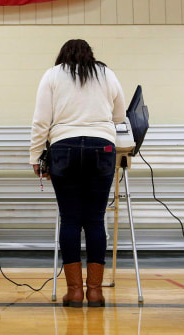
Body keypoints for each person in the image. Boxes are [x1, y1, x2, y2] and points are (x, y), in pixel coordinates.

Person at [30, 39, 126, 308]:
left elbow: (41, 120)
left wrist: (35, 156)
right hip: (102, 147)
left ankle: (74, 292)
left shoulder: (52, 75)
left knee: (70, 219)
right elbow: (119, 116)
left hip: (64, 147)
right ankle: (95, 292)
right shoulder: (106, 73)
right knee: (95, 220)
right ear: (90, 56)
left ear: (62, 56)